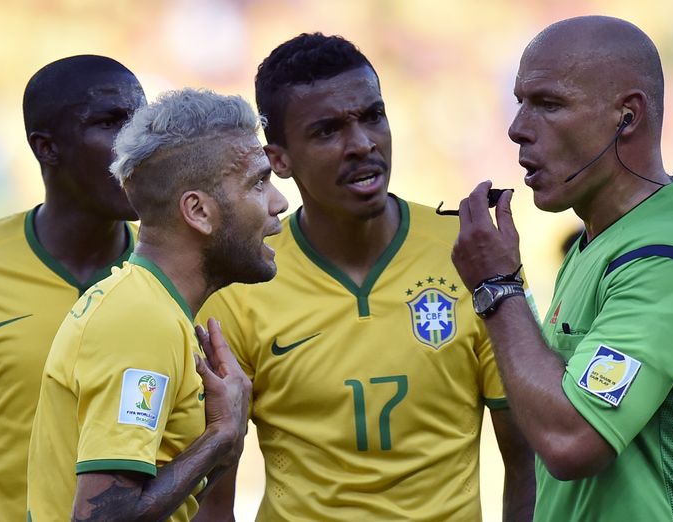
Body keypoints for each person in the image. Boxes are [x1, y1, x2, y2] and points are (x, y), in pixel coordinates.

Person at [196, 33, 536, 522]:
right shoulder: (241, 285)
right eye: (327, 131)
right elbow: (213, 501)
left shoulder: (468, 255)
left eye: (373, 116)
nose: (361, 144)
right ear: (280, 160)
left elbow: (526, 461)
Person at [452, 15, 673, 521]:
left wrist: (496, 287)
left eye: (548, 104)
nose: (517, 128)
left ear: (627, 117)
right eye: (520, 101)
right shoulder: (598, 241)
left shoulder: (669, 257)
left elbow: (572, 441)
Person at [26, 88, 288, 521]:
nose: (279, 202)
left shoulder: (150, 306)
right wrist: (220, 438)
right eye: (258, 182)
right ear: (198, 212)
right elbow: (103, 518)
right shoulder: (140, 321)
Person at [0, 55, 146, 522]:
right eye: (110, 122)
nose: (138, 143)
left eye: (142, 121)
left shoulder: (182, 275)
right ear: (46, 148)